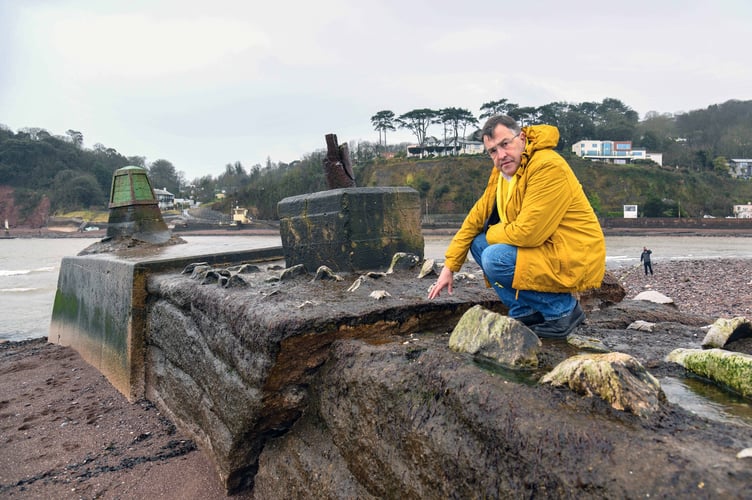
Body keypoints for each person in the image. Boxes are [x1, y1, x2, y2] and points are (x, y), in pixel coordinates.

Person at [427, 115, 606, 338]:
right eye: (493, 151)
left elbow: (528, 234)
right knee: (478, 243)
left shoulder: (547, 166)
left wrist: (493, 232)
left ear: (521, 137)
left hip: (572, 253)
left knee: (494, 256)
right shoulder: (503, 173)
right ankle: (527, 311)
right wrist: (449, 268)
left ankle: (563, 311)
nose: (501, 155)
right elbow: (474, 219)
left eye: (505, 144)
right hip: (548, 249)